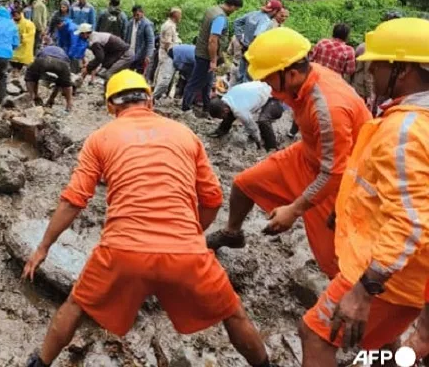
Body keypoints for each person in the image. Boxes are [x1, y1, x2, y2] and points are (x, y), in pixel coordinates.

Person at [23, 70, 278, 367]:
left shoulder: (99, 139)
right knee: (233, 313)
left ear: (112, 107)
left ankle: (39, 363)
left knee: (76, 306)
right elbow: (213, 199)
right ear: (150, 100)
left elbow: (74, 200)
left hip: (122, 250)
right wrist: (191, 235)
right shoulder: (185, 134)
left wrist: (43, 248)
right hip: (186, 252)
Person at [299, 18, 429, 366]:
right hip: (414, 276)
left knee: (316, 335)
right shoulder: (414, 119)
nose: (370, 71)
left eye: (378, 63)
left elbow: (412, 221)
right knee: (382, 345)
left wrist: (364, 289)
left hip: (388, 275)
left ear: (403, 69)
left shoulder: (407, 129)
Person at [207, 28, 371, 279]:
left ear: (291, 73)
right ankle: (232, 233)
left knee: (333, 260)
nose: (267, 87)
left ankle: (348, 305)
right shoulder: (302, 80)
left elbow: (334, 172)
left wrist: (294, 210)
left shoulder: (328, 109)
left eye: (269, 79)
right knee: (243, 184)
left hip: (339, 178)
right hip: (308, 154)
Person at [182, 0, 243, 114]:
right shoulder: (220, 17)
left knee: (208, 83)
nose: (234, 12)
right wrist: (213, 60)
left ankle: (207, 108)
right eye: (235, 10)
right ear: (232, 6)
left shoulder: (212, 10)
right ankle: (186, 108)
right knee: (196, 82)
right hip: (206, 56)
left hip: (202, 52)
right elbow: (213, 40)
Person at [207, 81, 284, 151]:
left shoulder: (240, 111)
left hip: (273, 97)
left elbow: (252, 127)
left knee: (263, 121)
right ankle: (221, 130)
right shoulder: (225, 99)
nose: (221, 118)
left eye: (220, 117)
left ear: (225, 110)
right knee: (230, 114)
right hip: (262, 86)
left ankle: (272, 147)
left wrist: (257, 140)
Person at [233, 0, 283, 84]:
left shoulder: (253, 14)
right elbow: (258, 35)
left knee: (240, 75)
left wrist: (240, 37)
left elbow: (237, 22)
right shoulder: (266, 21)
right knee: (249, 79)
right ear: (275, 11)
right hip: (253, 53)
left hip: (244, 48)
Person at [24, 44, 74, 111]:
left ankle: (32, 97)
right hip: (62, 63)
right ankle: (69, 104)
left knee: (30, 77)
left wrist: (36, 94)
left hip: (44, 59)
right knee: (66, 83)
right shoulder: (63, 53)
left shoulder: (45, 49)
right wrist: (52, 98)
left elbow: (34, 78)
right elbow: (59, 84)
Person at [153, 7, 183, 98]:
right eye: (180, 15)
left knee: (166, 78)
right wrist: (173, 55)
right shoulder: (169, 26)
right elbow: (167, 43)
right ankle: (154, 97)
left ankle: (160, 96)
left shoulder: (171, 25)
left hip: (169, 55)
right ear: (176, 15)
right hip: (168, 56)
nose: (181, 17)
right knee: (164, 78)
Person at [123, 5, 155, 77]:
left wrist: (148, 55)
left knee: (139, 74)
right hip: (130, 51)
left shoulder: (147, 24)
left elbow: (150, 41)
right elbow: (126, 36)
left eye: (137, 14)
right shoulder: (130, 23)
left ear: (142, 13)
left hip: (141, 54)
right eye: (134, 15)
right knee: (128, 72)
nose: (136, 17)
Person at [11, 9, 36, 75]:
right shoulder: (12, 23)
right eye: (14, 16)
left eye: (16, 15)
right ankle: (15, 71)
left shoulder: (28, 23)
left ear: (20, 14)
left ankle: (18, 71)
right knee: (13, 58)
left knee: (22, 59)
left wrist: (24, 36)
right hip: (14, 44)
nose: (15, 17)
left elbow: (31, 33)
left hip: (24, 45)